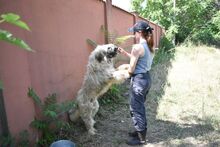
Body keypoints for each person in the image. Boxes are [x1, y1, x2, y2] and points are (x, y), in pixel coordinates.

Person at [118, 20, 154, 145]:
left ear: (140, 32)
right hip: (146, 79)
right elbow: (140, 60)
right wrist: (125, 53)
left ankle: (141, 138)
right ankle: (139, 131)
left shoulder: (137, 47)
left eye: (135, 32)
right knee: (140, 107)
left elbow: (132, 68)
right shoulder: (149, 46)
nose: (134, 35)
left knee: (136, 109)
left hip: (139, 81)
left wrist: (123, 70)